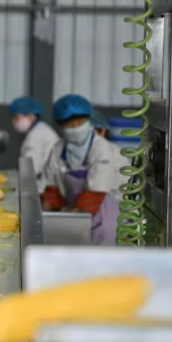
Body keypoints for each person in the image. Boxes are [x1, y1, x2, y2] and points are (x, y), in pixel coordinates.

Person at [41, 94, 128, 245]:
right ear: (61, 126)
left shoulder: (101, 148)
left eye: (80, 123)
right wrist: (45, 211)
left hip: (106, 210)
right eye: (70, 124)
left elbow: (96, 192)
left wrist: (71, 219)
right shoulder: (58, 149)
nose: (75, 128)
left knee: (104, 243)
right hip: (76, 210)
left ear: (88, 121)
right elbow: (51, 186)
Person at [8, 96, 61, 192]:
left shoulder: (38, 134)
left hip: (45, 186)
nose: (15, 122)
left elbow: (30, 169)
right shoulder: (39, 130)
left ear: (31, 117)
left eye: (17, 118)